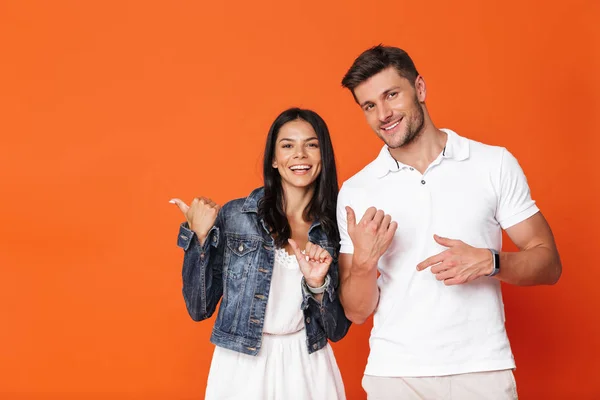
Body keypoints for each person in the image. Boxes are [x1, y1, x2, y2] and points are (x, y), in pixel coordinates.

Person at [336, 45, 562, 399]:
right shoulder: (357, 190)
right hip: (395, 376)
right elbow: (356, 311)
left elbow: (549, 263)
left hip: (482, 370)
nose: (383, 114)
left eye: (391, 95)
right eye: (369, 106)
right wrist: (364, 264)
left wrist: (491, 261)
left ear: (420, 89)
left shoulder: (493, 164)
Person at [170, 107, 350, 400]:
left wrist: (318, 286)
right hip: (241, 364)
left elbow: (337, 329)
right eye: (288, 145)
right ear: (274, 160)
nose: (300, 155)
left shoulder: (336, 227)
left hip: (308, 365)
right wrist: (199, 239)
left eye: (311, 144)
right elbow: (198, 308)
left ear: (323, 156)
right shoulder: (236, 216)